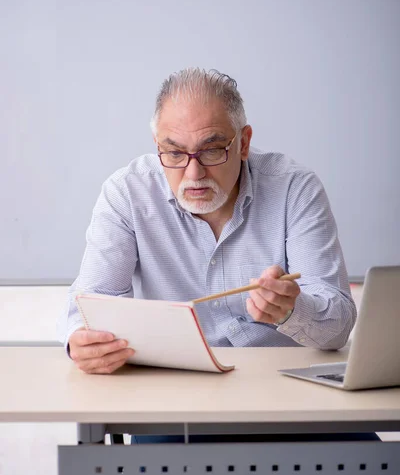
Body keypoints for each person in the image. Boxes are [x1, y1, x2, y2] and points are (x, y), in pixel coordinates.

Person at [57, 68, 356, 376]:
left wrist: (294, 309)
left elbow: (338, 329)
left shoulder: (293, 188)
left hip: (285, 385)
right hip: (175, 388)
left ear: (243, 143)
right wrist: (82, 338)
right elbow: (90, 302)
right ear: (157, 144)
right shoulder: (127, 193)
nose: (194, 174)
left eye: (212, 151)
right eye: (174, 153)